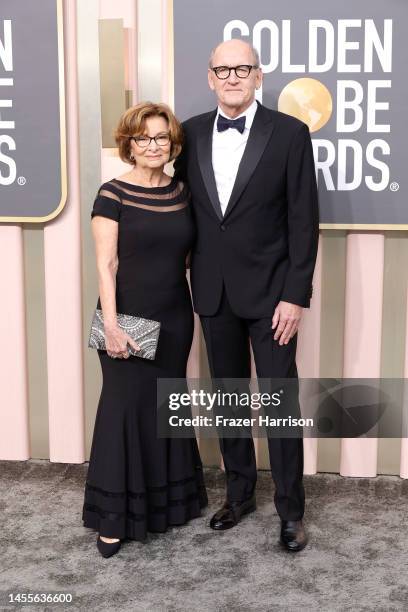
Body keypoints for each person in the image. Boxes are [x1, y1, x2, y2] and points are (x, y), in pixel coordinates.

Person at [174, 39, 319, 552]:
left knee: (279, 402)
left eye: (243, 68)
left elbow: (304, 221)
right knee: (229, 401)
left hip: (274, 294)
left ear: (258, 76)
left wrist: (295, 295)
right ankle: (238, 495)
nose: (233, 77)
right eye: (223, 69)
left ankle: (291, 511)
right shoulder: (188, 134)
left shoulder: (290, 134)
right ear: (210, 77)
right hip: (213, 292)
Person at [82, 102, 208, 558]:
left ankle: (166, 505)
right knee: (123, 410)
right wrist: (112, 327)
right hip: (128, 318)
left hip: (175, 315)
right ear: (129, 145)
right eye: (143, 138)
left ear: (172, 143)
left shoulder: (182, 194)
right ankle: (113, 519)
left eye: (161, 137)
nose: (153, 145)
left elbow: (188, 256)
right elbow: (106, 264)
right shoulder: (112, 193)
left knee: (166, 407)